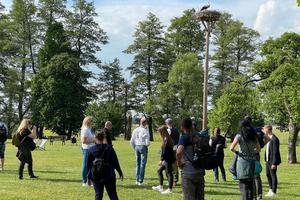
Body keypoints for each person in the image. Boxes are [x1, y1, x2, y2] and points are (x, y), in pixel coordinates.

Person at [87, 131, 123, 200]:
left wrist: (88, 177)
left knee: (98, 194)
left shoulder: (91, 149)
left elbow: (88, 165)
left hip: (96, 175)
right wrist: (119, 172)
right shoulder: (109, 148)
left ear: (95, 138)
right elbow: (115, 162)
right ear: (104, 138)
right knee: (112, 194)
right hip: (109, 174)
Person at [230, 119, 260, 200]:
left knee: (243, 186)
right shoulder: (254, 136)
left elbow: (231, 148)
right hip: (251, 162)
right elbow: (258, 149)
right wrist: (252, 152)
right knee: (251, 185)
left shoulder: (239, 136)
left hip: (242, 163)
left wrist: (238, 152)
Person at [176, 118, 205, 200]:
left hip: (188, 172)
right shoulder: (199, 136)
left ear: (182, 127)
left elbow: (178, 152)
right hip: (200, 171)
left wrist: (179, 163)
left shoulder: (184, 137)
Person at [152, 125, 176, 194]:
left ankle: (170, 189)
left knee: (169, 173)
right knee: (159, 171)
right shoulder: (168, 138)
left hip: (168, 159)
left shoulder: (166, 139)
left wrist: (161, 160)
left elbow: (165, 151)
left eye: (160, 132)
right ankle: (160, 186)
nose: (159, 134)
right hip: (167, 158)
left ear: (162, 132)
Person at [130, 116, 150, 186]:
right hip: (143, 146)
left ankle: (137, 179)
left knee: (138, 164)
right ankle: (140, 181)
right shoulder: (145, 130)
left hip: (136, 146)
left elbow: (131, 141)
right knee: (142, 164)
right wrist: (147, 145)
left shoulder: (135, 130)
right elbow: (147, 143)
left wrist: (134, 147)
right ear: (145, 123)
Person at [263, 125, 281, 197]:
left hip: (272, 161)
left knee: (273, 175)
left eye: (264, 129)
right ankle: (270, 190)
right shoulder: (268, 138)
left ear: (268, 129)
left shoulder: (274, 139)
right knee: (268, 174)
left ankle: (274, 191)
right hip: (268, 160)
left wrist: (274, 163)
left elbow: (275, 152)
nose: (263, 130)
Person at [81, 116, 95, 186]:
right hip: (87, 149)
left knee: (91, 166)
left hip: (91, 149)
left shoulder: (89, 129)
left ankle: (90, 181)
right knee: (86, 165)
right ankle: (84, 181)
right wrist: (94, 140)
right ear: (87, 122)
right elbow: (84, 141)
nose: (92, 122)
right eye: (91, 121)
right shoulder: (85, 129)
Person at [165, 118, 180, 185]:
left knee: (168, 165)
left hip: (170, 149)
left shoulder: (168, 130)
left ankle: (170, 180)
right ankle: (175, 180)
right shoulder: (176, 130)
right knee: (175, 165)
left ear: (166, 123)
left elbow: (166, 140)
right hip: (176, 148)